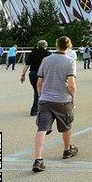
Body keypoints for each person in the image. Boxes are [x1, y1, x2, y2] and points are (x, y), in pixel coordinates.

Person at [31, 36, 79, 172]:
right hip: (62, 100)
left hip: (46, 100)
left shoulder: (46, 60)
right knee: (66, 126)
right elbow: (71, 83)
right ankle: (67, 149)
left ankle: (38, 160)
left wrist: (41, 96)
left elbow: (39, 82)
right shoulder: (70, 61)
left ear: (56, 45)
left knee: (42, 128)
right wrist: (73, 97)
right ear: (69, 46)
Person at [20, 40, 51, 116]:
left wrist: (23, 75)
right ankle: (35, 109)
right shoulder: (48, 54)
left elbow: (27, 65)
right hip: (42, 75)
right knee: (41, 92)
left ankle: (39, 108)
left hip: (32, 74)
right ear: (45, 46)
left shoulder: (32, 52)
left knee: (37, 91)